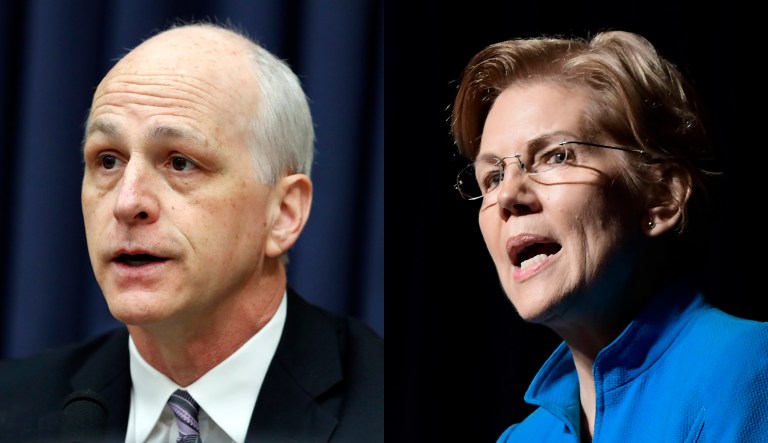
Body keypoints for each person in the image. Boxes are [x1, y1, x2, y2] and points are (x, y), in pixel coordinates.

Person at [0, 21, 383, 443]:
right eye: (108, 161)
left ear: (284, 213)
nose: (127, 203)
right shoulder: (13, 407)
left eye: (180, 162)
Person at [450, 30, 768, 442]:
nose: (508, 195)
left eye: (555, 156)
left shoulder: (746, 369)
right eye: (492, 177)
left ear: (662, 197)